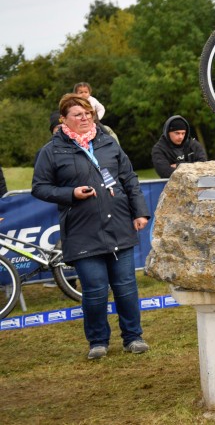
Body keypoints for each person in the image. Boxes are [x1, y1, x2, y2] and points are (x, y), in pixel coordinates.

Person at [31, 93, 151, 359]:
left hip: (119, 224)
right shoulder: (51, 151)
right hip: (82, 231)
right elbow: (39, 187)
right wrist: (70, 194)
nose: (85, 118)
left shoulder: (108, 142)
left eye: (88, 114)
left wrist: (140, 212)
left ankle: (133, 337)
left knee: (126, 286)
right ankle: (98, 341)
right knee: (95, 290)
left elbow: (128, 178)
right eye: (78, 115)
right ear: (64, 119)